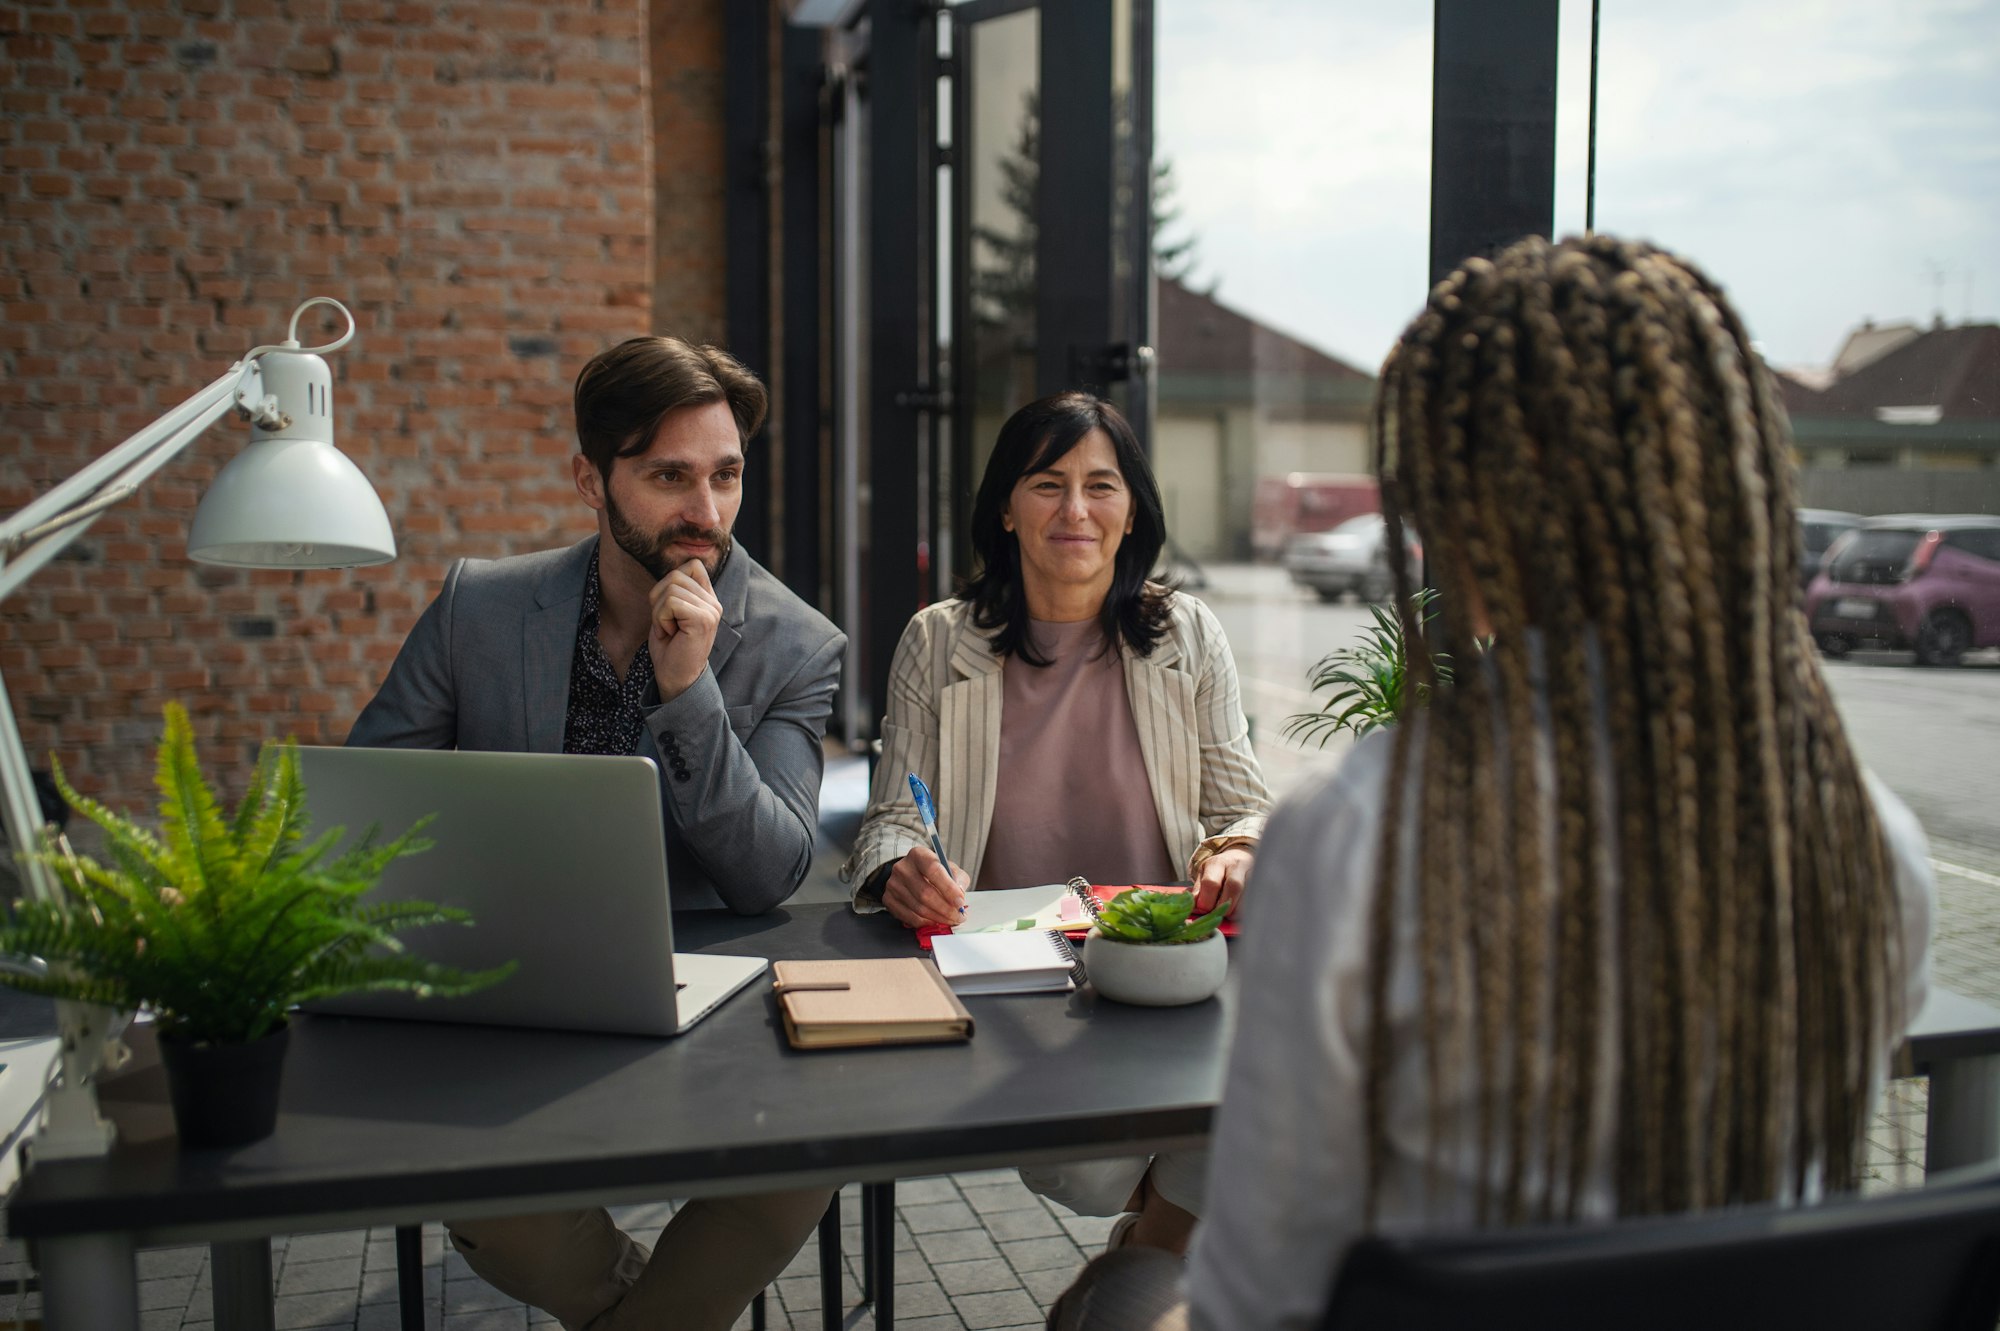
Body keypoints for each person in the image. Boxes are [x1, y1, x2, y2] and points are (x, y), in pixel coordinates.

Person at [1048, 235, 1935, 1331]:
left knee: (1113, 1294)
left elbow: (1255, 1300)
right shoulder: (1867, 844)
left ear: (1465, 517)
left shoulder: (1362, 838)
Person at [348, 335, 844, 1331]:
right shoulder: (478, 609)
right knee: (499, 1206)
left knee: (806, 1160)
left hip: (719, 1013)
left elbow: (771, 872)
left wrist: (686, 687)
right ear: (591, 477)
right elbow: (365, 806)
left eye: (725, 474)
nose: (704, 512)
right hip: (519, 994)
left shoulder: (796, 643)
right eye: (669, 476)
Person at [843, 391, 1272, 1253]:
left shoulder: (1187, 634)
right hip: (1018, 982)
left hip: (1167, 968)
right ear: (1005, 507)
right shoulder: (937, 641)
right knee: (1108, 1163)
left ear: (1131, 509)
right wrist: (902, 870)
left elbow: (1241, 804)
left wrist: (1240, 850)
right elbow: (892, 818)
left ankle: (1121, 1282)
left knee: (1250, 1122)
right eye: (1048, 483)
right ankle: (1135, 1277)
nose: (1076, 509)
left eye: (1100, 485)